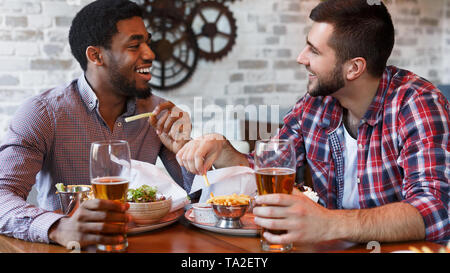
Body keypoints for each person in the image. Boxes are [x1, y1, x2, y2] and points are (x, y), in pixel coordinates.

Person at [177, 0, 449, 245]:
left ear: (354, 68)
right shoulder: (316, 103)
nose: (301, 57)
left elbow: (436, 209)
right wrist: (225, 152)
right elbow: (271, 170)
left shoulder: (417, 103)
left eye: (314, 51)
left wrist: (328, 223)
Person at [0, 0, 193, 248]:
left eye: (148, 42)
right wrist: (59, 227)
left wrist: (186, 149)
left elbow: (199, 199)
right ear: (96, 55)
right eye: (135, 45)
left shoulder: (159, 113)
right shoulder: (42, 113)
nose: (150, 54)